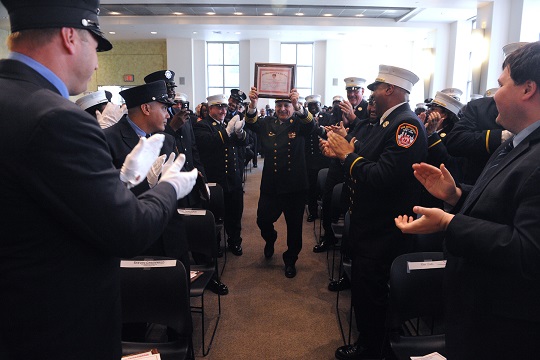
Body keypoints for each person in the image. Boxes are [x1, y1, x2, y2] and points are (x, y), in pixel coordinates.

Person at [0, 1, 198, 358]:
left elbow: (43, 206)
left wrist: (120, 185)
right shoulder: (57, 117)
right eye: (96, 45)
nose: (95, 62)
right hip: (56, 328)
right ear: (70, 37)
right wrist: (169, 186)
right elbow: (129, 230)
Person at [395, 41, 540, 359]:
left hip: (507, 327)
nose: (494, 95)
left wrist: (449, 222)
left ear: (527, 89)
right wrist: (457, 196)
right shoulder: (516, 143)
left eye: (501, 85)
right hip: (478, 310)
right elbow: (504, 207)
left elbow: (527, 250)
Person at [322, 65, 427, 359]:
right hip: (369, 226)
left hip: (383, 230)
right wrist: (343, 154)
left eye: (376, 90)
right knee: (366, 293)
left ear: (390, 90)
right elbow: (362, 158)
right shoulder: (385, 123)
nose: (372, 96)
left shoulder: (406, 126)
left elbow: (383, 176)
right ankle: (370, 342)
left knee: (374, 296)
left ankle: (372, 350)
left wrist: (347, 155)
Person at [245, 87, 314, 278]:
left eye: (286, 105)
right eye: (279, 105)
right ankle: (271, 238)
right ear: (274, 107)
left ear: (292, 106)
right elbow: (251, 124)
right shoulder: (268, 123)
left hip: (295, 187)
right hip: (272, 185)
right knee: (262, 220)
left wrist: (298, 105)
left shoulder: (299, 123)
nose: (283, 109)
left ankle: (290, 259)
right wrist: (252, 104)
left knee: (294, 228)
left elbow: (311, 126)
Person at [193, 94, 246, 257]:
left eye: (224, 107)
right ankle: (214, 245)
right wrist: (227, 131)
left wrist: (239, 133)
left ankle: (234, 241)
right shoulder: (202, 126)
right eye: (218, 107)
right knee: (215, 215)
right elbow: (208, 142)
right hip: (216, 179)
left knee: (235, 213)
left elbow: (242, 144)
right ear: (210, 109)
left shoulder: (228, 123)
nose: (223, 110)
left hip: (233, 177)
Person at [304, 94, 335, 222]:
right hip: (310, 158)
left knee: (325, 187)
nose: (313, 108)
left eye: (315, 105)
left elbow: (331, 134)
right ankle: (313, 212)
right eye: (310, 106)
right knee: (311, 187)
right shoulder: (304, 119)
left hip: (325, 158)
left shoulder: (328, 117)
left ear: (320, 105)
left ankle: (326, 212)